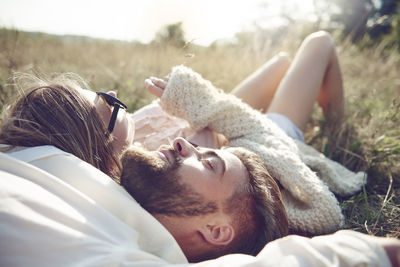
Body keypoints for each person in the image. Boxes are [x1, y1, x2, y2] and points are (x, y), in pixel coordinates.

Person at [0, 71, 288, 262]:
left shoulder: (123, 253)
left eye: (209, 163)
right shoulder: (87, 186)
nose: (181, 142)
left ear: (216, 230)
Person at [127, 31, 366, 237]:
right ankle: (339, 127)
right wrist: (199, 102)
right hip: (268, 132)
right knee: (319, 42)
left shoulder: (150, 172)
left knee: (282, 61)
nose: (180, 146)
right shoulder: (237, 188)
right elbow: (325, 212)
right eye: (210, 164)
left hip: (222, 118)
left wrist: (199, 104)